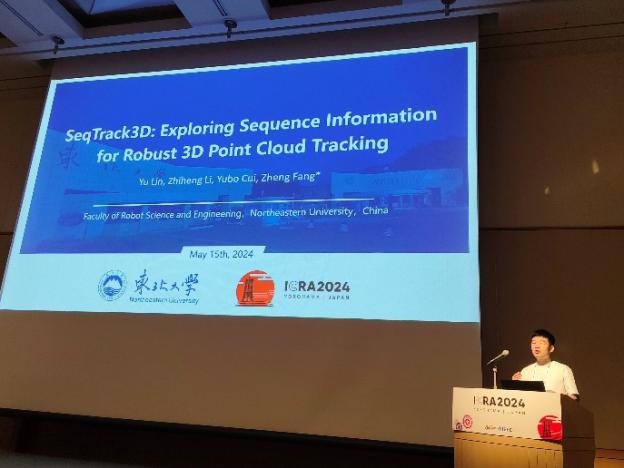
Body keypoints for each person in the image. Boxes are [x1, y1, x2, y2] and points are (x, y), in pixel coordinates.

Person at [512, 329, 579, 400]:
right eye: (534, 343)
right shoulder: (525, 371)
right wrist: (515, 385)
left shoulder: (563, 369)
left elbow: (574, 397)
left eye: (542, 343)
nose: (536, 346)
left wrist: (555, 397)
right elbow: (520, 398)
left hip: (554, 407)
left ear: (551, 348)